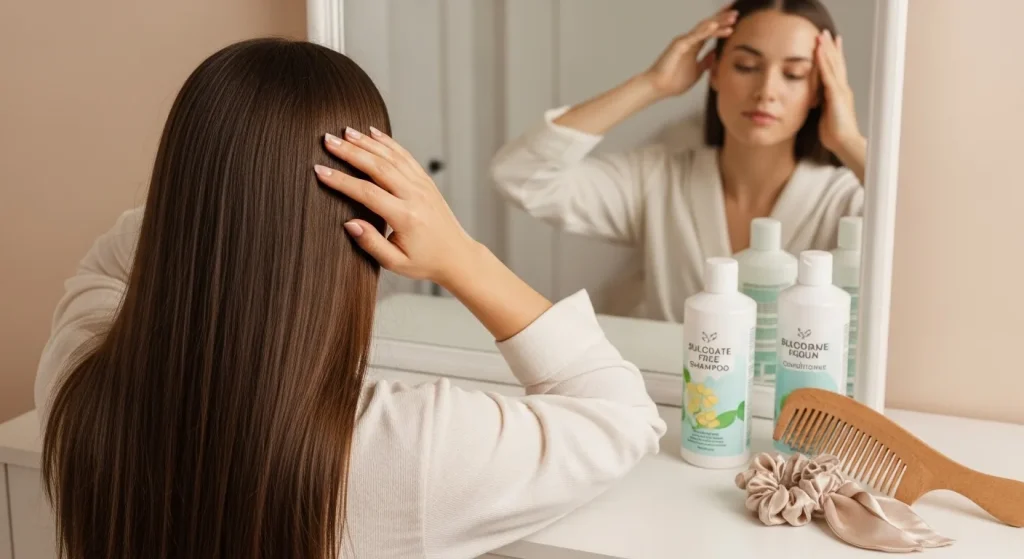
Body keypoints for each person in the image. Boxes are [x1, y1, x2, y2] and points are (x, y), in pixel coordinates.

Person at [35, 38, 666, 559]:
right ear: (369, 208)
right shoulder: (403, 448)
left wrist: (223, 183)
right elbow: (619, 417)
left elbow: (118, 259)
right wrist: (458, 254)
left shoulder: (77, 370)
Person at [491, 0, 866, 322]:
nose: (767, 91)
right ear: (714, 71)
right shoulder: (658, 179)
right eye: (746, 67)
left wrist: (848, 140)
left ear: (819, 90)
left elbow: (920, 242)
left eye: (794, 74)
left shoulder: (847, 199)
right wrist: (652, 84)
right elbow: (521, 175)